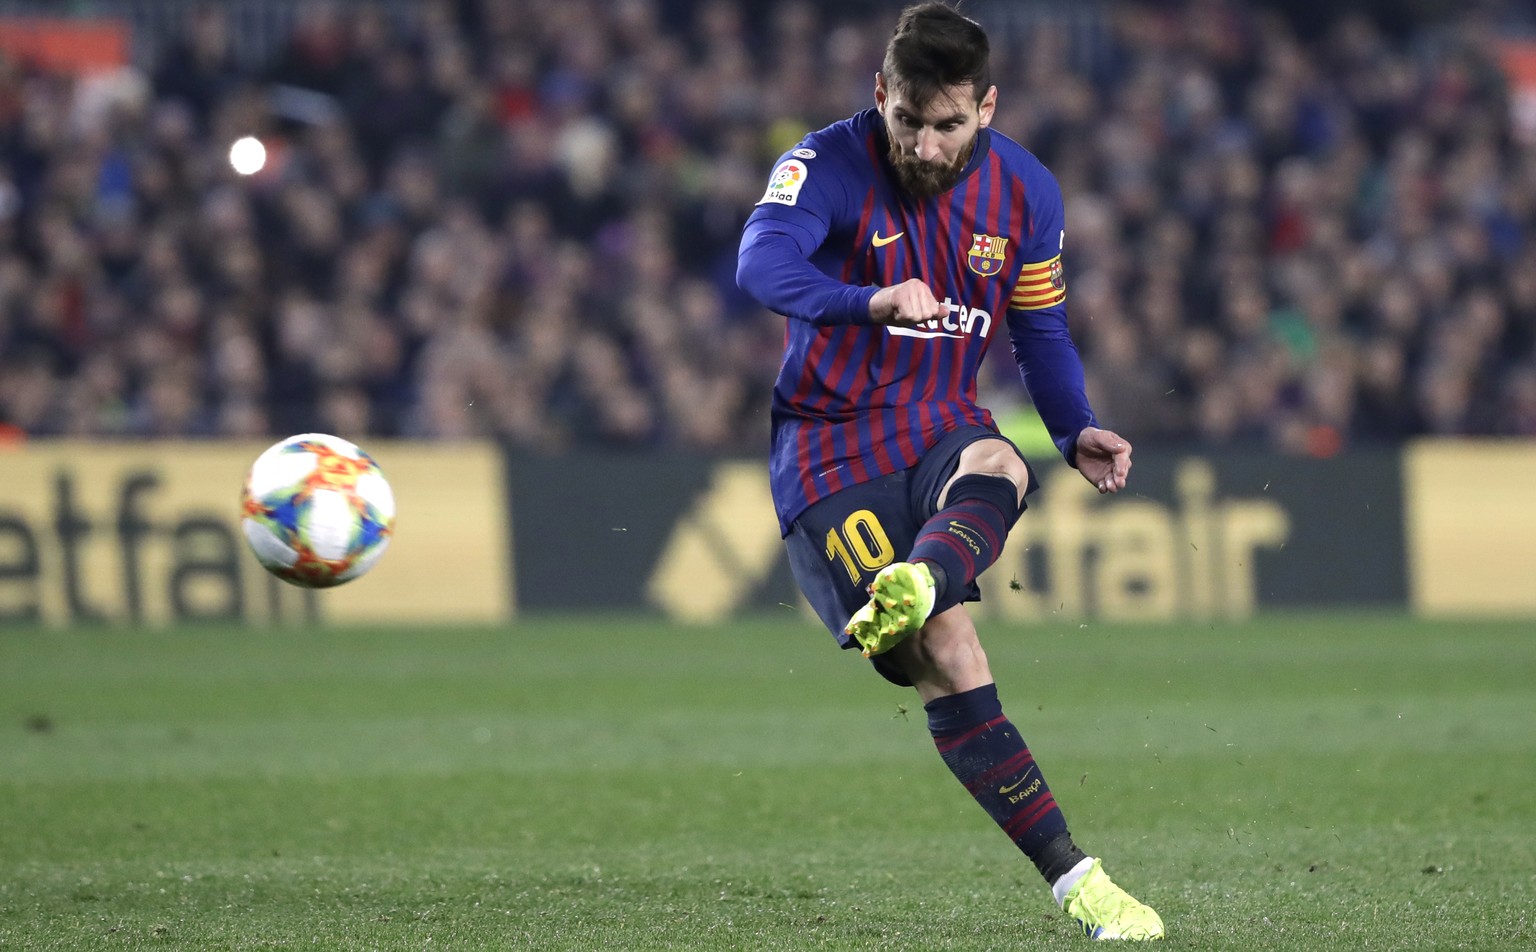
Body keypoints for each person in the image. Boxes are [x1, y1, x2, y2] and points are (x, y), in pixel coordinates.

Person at [736, 3, 1164, 942]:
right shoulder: (824, 163)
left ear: (988, 108)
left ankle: (1080, 885)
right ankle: (916, 595)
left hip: (936, 422)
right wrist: (867, 298)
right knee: (925, 659)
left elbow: (1038, 326)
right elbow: (759, 266)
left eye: (950, 125)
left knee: (1001, 462)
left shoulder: (1026, 192)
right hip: (826, 444)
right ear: (881, 94)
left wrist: (1076, 426)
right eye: (910, 123)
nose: (927, 148)